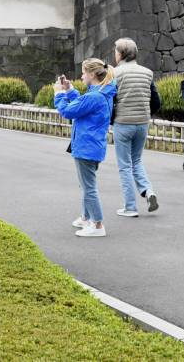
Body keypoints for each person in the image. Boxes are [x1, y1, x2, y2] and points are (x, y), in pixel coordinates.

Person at [55, 58, 117, 238]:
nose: (81, 76)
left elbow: (68, 111)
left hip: (86, 147)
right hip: (92, 146)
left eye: (83, 73)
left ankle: (97, 224)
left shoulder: (94, 96)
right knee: (86, 184)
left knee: (88, 187)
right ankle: (86, 217)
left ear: (91, 74)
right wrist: (70, 90)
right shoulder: (101, 93)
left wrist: (59, 94)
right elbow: (81, 106)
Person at [111, 38, 160, 217]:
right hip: (142, 123)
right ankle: (149, 192)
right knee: (137, 161)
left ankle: (130, 207)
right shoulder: (147, 73)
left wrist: (111, 119)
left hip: (123, 123)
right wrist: (146, 114)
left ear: (121, 54)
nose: (115, 54)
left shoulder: (115, 73)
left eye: (116, 51)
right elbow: (156, 100)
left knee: (124, 166)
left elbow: (111, 100)